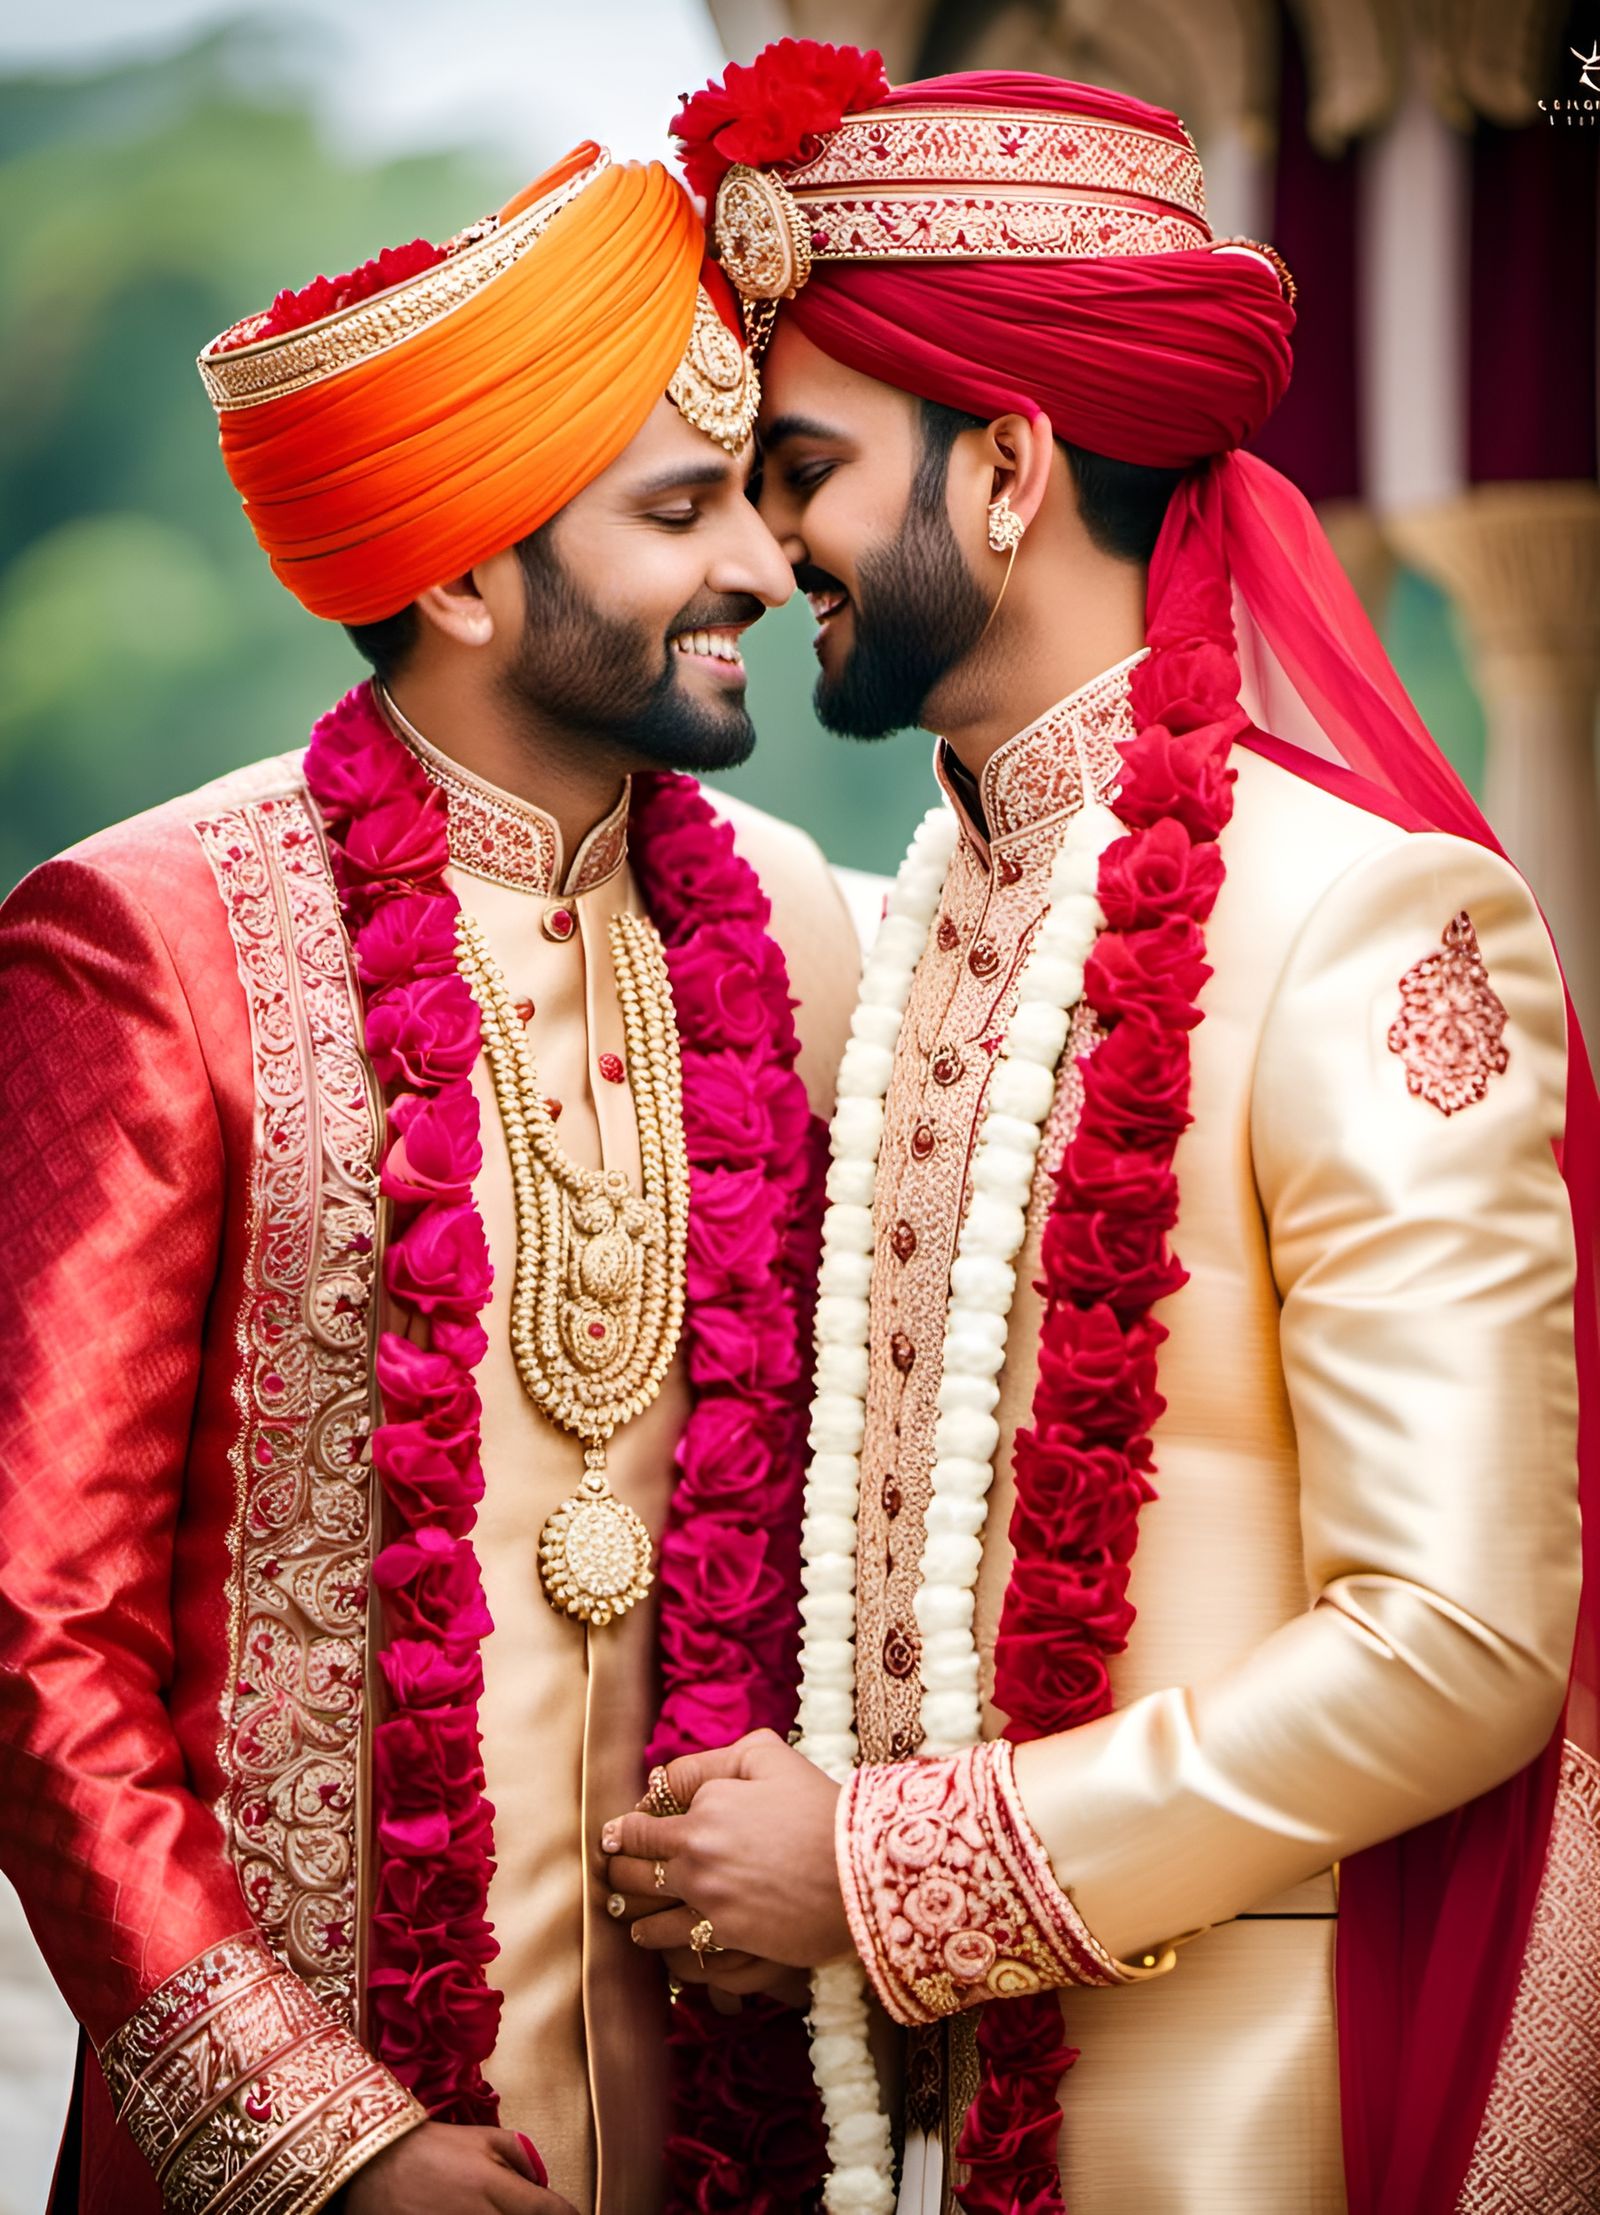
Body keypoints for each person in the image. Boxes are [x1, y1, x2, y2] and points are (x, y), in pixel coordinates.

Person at [606, 46, 1599, 2214]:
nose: (769, 561)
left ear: (1002, 470)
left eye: (803, 469)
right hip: (911, 2122)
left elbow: (1459, 1635)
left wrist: (882, 1865)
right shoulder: (939, 913)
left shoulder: (1359, 923)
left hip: (1228, 2116)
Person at [0, 141, 859, 2215]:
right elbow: (42, 1626)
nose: (755, 562)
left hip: (715, 2116)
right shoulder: (149, 936)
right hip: (311, 2141)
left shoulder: (804, 931)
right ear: (466, 576)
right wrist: (322, 2143)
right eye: (676, 512)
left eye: (745, 495)